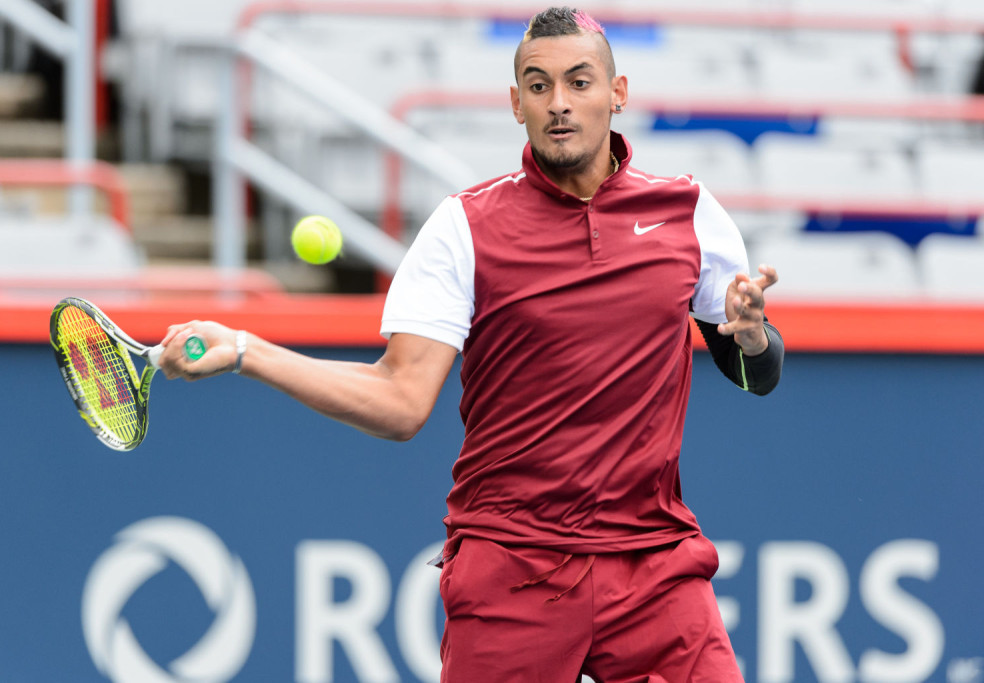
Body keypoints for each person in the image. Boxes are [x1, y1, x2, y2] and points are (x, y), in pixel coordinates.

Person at [159, 6, 784, 681]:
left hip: (653, 564)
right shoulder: (464, 228)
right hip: (514, 565)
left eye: (579, 82)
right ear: (516, 104)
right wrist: (249, 348)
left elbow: (758, 376)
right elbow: (400, 401)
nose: (560, 104)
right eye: (539, 87)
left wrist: (750, 338)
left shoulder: (688, 214)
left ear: (618, 93)